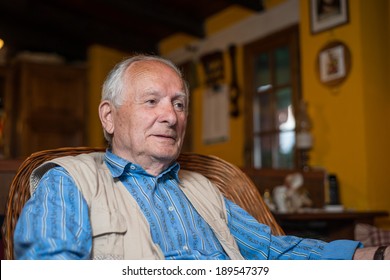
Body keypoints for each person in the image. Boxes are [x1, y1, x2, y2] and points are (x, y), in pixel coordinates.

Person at [13, 55, 389, 260]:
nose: (171, 115)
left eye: (179, 104)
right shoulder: (69, 180)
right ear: (109, 117)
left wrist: (373, 259)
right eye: (151, 101)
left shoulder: (203, 188)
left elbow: (273, 251)